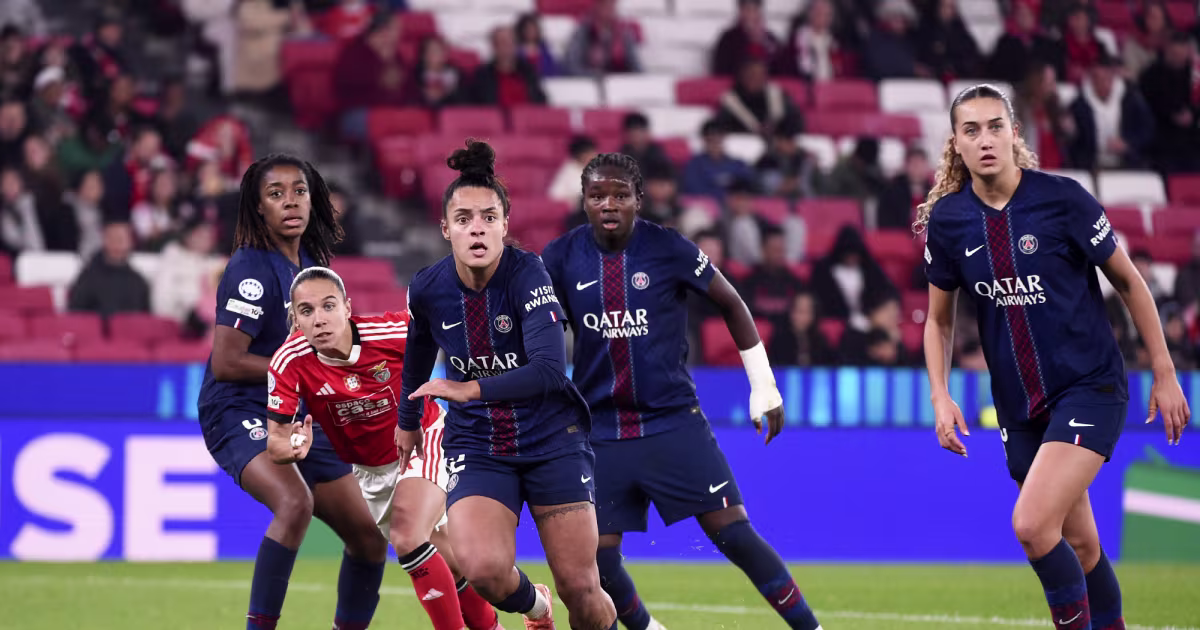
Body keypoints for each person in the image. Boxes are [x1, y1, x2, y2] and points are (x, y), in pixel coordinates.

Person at [918, 84, 1190, 630]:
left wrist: (1164, 371)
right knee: (1082, 546)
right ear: (956, 144)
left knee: (1032, 525)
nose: (985, 139)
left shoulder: (1062, 200)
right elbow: (939, 320)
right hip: (1020, 407)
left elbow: (1131, 283)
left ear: (1015, 134)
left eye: (995, 126)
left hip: (1090, 386)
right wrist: (940, 393)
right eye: (971, 130)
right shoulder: (949, 222)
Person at [540, 153, 823, 630]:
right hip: (600, 431)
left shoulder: (668, 248)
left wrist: (763, 384)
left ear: (638, 201)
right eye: (597, 196)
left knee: (734, 534)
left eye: (620, 195)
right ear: (583, 202)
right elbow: (533, 325)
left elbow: (731, 303)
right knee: (599, 561)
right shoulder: (561, 257)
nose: (609, 204)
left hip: (672, 420)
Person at [396, 139, 618, 630]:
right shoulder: (428, 288)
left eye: (489, 217)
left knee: (582, 587)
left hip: (551, 438)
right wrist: (407, 421)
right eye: (464, 218)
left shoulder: (528, 275)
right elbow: (416, 358)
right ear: (446, 229)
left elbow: (549, 371)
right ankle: (537, 608)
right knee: (484, 571)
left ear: (504, 226)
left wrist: (467, 389)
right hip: (479, 443)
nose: (477, 227)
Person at [196, 154, 388, 630]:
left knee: (369, 537)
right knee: (294, 503)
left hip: (297, 414)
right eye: (275, 194)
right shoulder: (250, 269)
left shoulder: (309, 266)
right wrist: (301, 375)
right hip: (237, 408)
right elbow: (227, 362)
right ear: (258, 207)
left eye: (298, 191)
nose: (290, 202)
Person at [266, 266, 502, 630]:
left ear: (347, 307)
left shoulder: (391, 332)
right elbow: (277, 440)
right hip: (371, 473)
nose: (320, 319)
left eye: (328, 306)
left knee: (407, 536)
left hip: (425, 438)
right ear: (294, 319)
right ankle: (518, 612)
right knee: (452, 562)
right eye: (307, 311)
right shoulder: (289, 360)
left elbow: (457, 335)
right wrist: (294, 446)